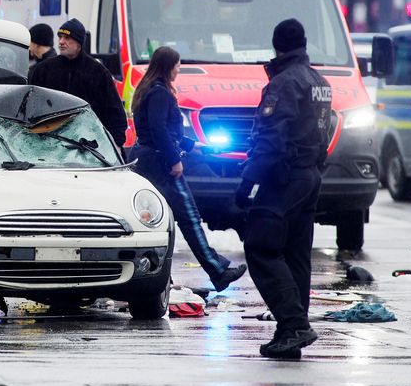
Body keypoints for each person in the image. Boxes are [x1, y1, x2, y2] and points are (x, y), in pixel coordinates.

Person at [235, 18, 332, 359]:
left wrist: (248, 183)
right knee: (295, 254)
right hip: (309, 176)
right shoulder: (319, 81)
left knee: (260, 246)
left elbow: (270, 141)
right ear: (304, 44)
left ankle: (294, 325)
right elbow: (327, 131)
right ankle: (290, 330)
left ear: (276, 46)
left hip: (283, 178)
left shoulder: (283, 84)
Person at [128, 46, 247, 292]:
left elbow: (164, 132)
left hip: (147, 161)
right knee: (190, 219)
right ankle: (218, 271)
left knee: (156, 223)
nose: (179, 69)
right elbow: (160, 131)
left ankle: (150, 276)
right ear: (168, 66)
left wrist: (195, 146)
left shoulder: (148, 90)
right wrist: (174, 160)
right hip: (160, 164)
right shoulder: (160, 93)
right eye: (177, 65)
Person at [29, 18, 128, 148]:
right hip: (50, 147)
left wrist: (115, 145)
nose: (61, 42)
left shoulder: (98, 73)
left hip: (89, 149)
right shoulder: (43, 70)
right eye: (60, 37)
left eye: (66, 37)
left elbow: (115, 114)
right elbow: (30, 109)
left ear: (79, 42)